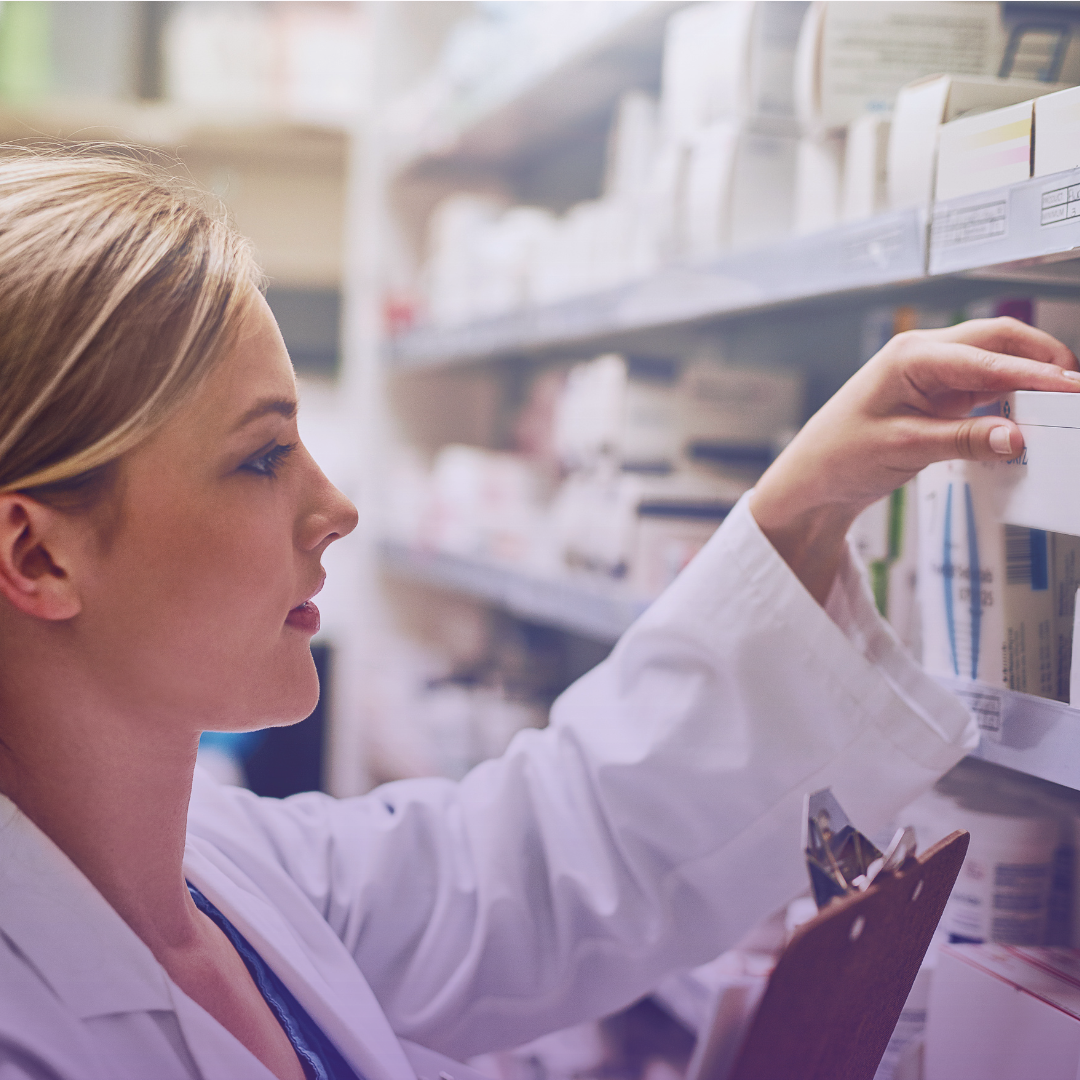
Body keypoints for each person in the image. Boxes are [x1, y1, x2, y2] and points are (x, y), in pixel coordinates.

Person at [0, 153, 1076, 1080]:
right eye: (263, 455)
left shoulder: (221, 871)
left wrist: (806, 505)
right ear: (37, 554)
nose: (336, 509)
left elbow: (531, 863)